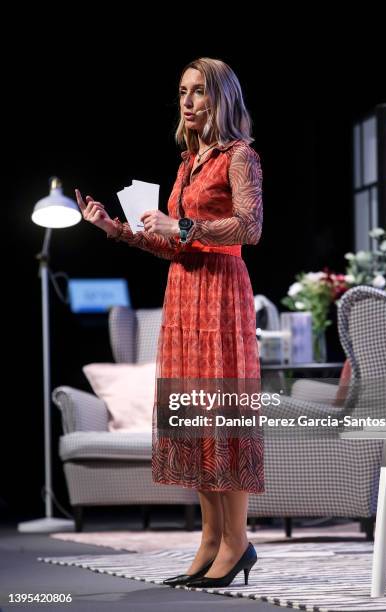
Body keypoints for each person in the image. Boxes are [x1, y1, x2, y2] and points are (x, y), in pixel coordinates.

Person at [75, 57, 264, 589]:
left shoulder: (239, 157)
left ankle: (237, 542)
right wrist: (117, 229)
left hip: (222, 294)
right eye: (182, 91)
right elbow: (171, 244)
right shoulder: (187, 164)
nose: (187, 100)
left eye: (198, 91)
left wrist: (183, 222)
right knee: (192, 418)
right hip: (184, 295)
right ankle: (210, 540)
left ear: (220, 98)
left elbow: (249, 228)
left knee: (221, 417)